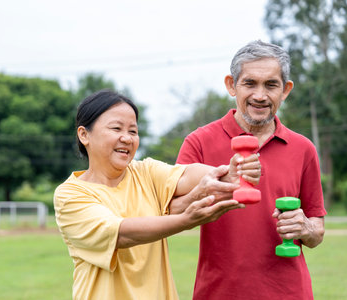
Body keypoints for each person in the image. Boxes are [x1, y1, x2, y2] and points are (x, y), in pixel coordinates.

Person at [54, 89, 261, 300]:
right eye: (116, 128)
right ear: (84, 134)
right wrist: (185, 220)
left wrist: (227, 173)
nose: (126, 138)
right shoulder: (70, 195)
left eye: (133, 131)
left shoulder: (146, 172)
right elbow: (121, 233)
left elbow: (187, 175)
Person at [176, 40, 327, 300]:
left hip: (289, 293)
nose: (260, 95)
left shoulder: (304, 149)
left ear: (286, 90)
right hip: (218, 293)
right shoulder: (198, 142)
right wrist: (220, 188)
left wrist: (305, 227)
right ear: (231, 85)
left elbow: (317, 230)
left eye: (271, 85)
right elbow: (171, 212)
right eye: (249, 83)